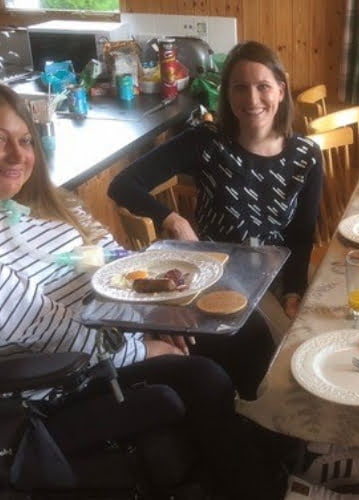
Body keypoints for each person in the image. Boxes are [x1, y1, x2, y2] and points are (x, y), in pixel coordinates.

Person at [0, 78, 287, 498]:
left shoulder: (35, 199)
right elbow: (36, 326)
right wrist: (139, 347)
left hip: (108, 331)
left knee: (245, 331)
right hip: (45, 374)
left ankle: (274, 451)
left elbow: (118, 259)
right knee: (203, 378)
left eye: (25, 140)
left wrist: (158, 312)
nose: (18, 155)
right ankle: (256, 485)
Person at [109, 40, 323, 397]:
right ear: (227, 94)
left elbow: (302, 233)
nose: (252, 100)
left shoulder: (306, 155)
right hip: (214, 275)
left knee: (320, 335)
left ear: (281, 91)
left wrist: (295, 289)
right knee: (276, 351)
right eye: (240, 87)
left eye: (263, 86)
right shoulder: (206, 141)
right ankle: (265, 424)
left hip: (276, 272)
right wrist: (172, 219)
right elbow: (122, 184)